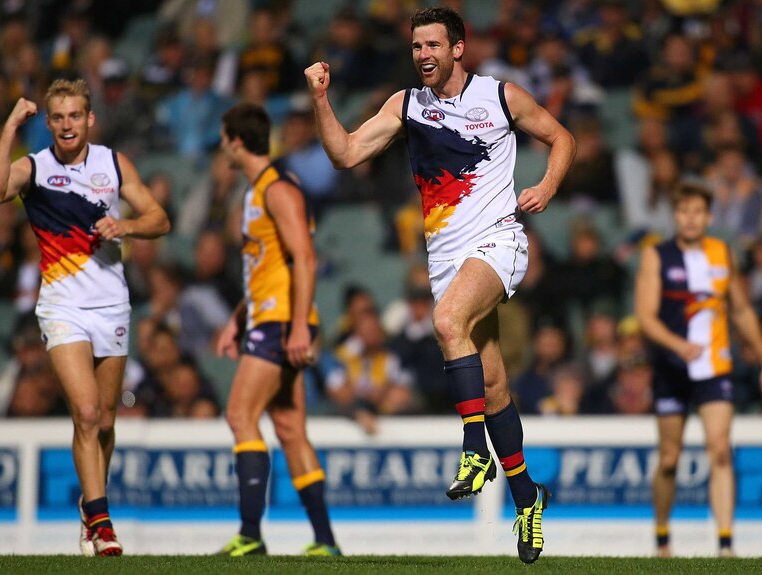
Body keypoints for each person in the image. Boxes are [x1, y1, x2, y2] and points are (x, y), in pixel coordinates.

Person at [305, 6, 576, 564]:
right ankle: (527, 498)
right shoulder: (406, 105)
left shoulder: (500, 97)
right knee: (494, 384)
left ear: (458, 48)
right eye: (416, 47)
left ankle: (473, 449)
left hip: (500, 243)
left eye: (433, 45)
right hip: (448, 260)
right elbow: (347, 153)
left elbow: (562, 137)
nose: (423, 55)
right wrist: (320, 101)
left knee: (447, 323)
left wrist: (547, 185)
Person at [0, 79, 170, 556]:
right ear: (48, 123)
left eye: (75, 116)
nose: (67, 125)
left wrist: (125, 224)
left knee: (105, 420)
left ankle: (91, 510)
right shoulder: (36, 167)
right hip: (62, 306)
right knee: (85, 412)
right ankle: (103, 525)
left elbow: (160, 219)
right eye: (58, 117)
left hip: (112, 303)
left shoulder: (113, 163)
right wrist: (8, 128)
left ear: (90, 119)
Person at [215, 103, 340, 557]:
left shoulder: (278, 189)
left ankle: (250, 535)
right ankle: (324, 541)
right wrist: (237, 316)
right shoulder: (257, 192)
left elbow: (305, 258)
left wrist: (300, 327)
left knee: (240, 416)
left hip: (282, 320)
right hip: (270, 314)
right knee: (289, 429)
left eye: (223, 138)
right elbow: (271, 266)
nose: (222, 146)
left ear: (235, 139)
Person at [635, 182, 762, 558]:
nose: (690, 218)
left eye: (697, 211)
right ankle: (663, 539)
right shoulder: (657, 256)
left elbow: (743, 311)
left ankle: (726, 544)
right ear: (675, 216)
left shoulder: (722, 253)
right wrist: (677, 345)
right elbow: (645, 318)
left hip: (715, 367)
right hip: (671, 368)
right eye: (683, 211)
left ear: (709, 216)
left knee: (720, 451)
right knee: (669, 459)